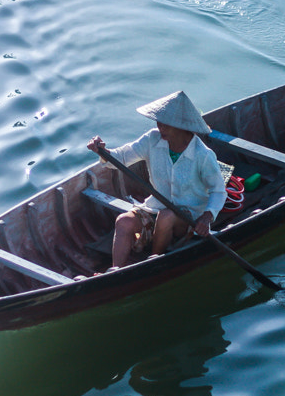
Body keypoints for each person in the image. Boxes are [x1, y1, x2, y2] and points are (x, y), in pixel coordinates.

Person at [87, 91, 227, 270]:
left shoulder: (203, 155)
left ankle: (154, 258)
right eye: (158, 122)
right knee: (124, 221)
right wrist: (103, 152)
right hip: (156, 207)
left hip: (188, 217)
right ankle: (115, 269)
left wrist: (207, 217)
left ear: (181, 127)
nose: (160, 127)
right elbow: (121, 157)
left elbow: (218, 190)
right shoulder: (152, 139)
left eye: (166, 124)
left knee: (166, 216)